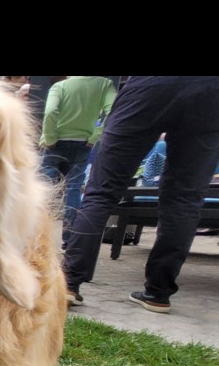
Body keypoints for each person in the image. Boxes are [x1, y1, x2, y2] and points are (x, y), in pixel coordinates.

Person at [63, 76, 219, 313]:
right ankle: (158, 293)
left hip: (149, 86)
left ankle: (68, 283)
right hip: (210, 91)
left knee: (101, 192)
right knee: (184, 199)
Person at [39, 76, 118, 248]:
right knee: (73, 190)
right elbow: (114, 111)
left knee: (43, 190)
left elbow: (51, 111)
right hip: (83, 143)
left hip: (55, 143)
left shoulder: (61, 86)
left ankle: (35, 236)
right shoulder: (104, 85)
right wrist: (95, 135)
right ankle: (69, 240)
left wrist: (50, 136)